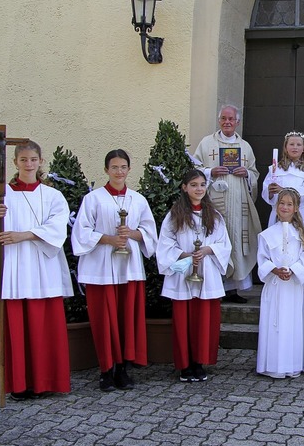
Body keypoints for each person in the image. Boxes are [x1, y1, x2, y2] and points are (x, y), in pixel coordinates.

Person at [0, 140, 73, 401]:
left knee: (44, 327)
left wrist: (24, 235)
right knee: (16, 328)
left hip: (42, 267)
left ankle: (45, 381)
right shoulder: (1, 195)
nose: (29, 164)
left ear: (41, 161)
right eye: (23, 160)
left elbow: (58, 228)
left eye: (33, 159)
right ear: (15, 163)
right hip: (13, 269)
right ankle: (18, 384)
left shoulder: (53, 195)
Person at [72, 149, 158, 392]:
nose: (119, 172)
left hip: (128, 268)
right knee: (104, 320)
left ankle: (122, 369)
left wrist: (131, 234)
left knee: (125, 320)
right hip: (100, 268)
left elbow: (150, 233)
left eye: (123, 167)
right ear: (106, 170)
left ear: (129, 169)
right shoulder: (93, 199)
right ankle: (105, 370)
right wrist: (109, 239)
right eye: (114, 167)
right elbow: (81, 232)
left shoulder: (138, 199)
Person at [156, 170, 232, 383]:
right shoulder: (175, 215)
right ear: (184, 187)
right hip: (183, 271)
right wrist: (185, 254)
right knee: (184, 319)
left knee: (203, 319)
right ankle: (185, 365)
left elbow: (223, 244)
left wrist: (206, 251)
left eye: (202, 184)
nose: (199, 189)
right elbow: (165, 243)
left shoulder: (214, 216)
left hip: (206, 270)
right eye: (193, 184)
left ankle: (199, 362)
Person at [193, 104, 262, 304]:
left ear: (237, 122)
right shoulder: (206, 144)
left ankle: (233, 290)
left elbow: (254, 173)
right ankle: (215, 286)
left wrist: (246, 174)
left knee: (236, 242)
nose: (227, 122)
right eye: (224, 118)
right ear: (219, 120)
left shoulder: (245, 147)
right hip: (214, 202)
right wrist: (210, 172)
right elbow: (194, 168)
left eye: (231, 119)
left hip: (238, 201)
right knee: (216, 240)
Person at [256, 188, 304, 379]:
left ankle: (293, 363)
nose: (285, 207)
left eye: (289, 204)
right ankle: (272, 364)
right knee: (274, 325)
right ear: (276, 206)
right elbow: (262, 259)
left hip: (293, 286)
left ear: (296, 208)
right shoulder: (266, 234)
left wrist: (293, 270)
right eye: (282, 203)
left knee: (292, 324)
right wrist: (274, 269)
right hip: (275, 286)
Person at [262, 131, 304, 229]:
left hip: (300, 213)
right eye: (291, 144)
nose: (295, 147)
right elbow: (266, 191)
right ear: (285, 147)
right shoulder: (275, 169)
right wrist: (270, 192)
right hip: (279, 213)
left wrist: (283, 191)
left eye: (298, 145)